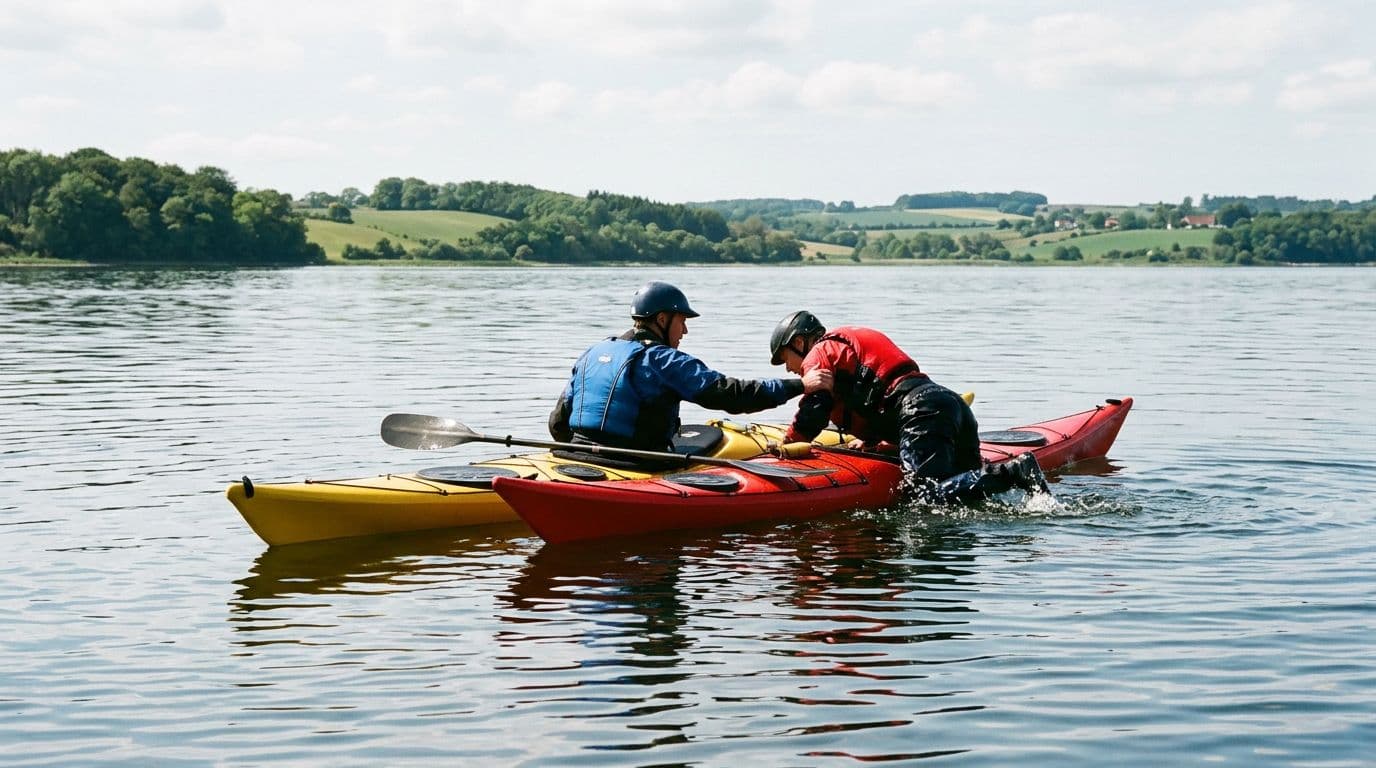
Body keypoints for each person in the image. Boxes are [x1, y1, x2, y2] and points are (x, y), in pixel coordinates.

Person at [768, 310, 1049, 503]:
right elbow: (880, 387)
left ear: (800, 342)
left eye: (785, 359)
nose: (791, 370)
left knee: (922, 494)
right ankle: (1005, 477)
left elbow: (815, 407)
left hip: (921, 413)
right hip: (949, 404)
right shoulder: (850, 340)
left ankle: (1011, 473)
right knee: (963, 485)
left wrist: (790, 444)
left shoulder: (818, 353)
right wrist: (876, 442)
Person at [549, 282, 829, 454]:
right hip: (638, 463)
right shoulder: (664, 360)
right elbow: (731, 395)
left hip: (578, 452)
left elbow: (558, 423)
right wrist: (800, 386)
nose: (684, 331)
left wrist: (582, 451)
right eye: (682, 321)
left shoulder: (593, 352)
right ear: (661, 319)